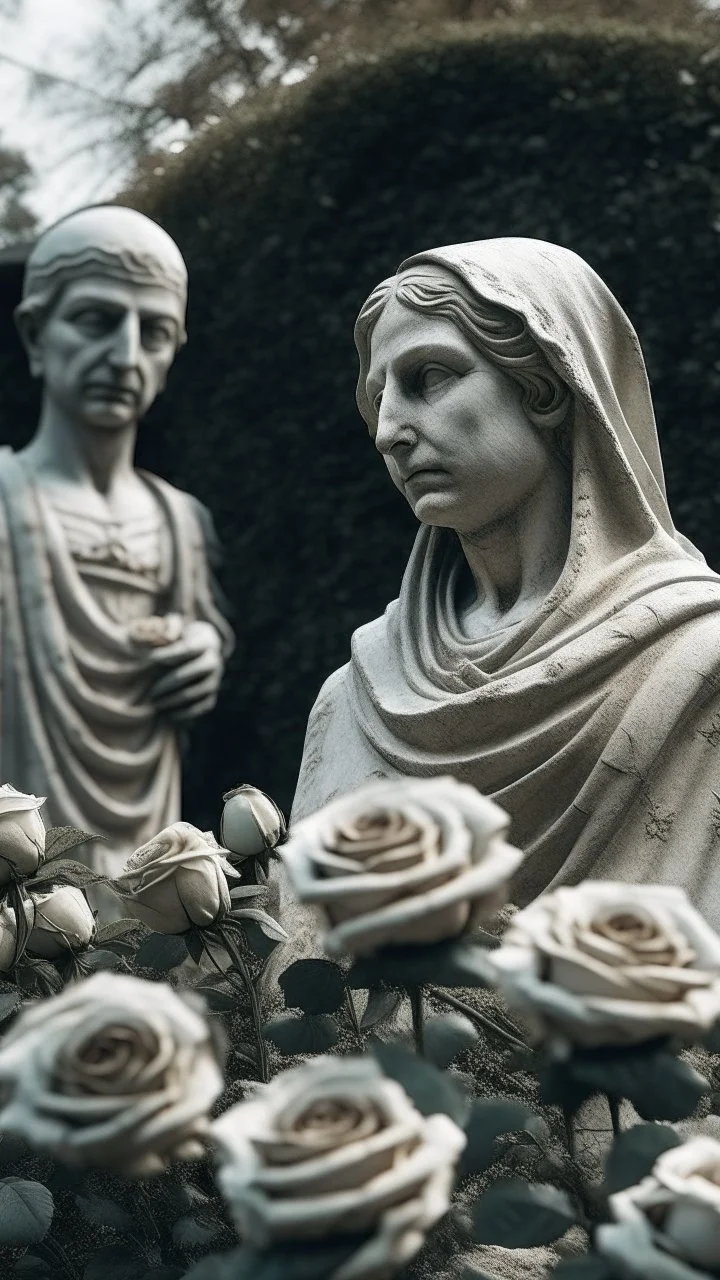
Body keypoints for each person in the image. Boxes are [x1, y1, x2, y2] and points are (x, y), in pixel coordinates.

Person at [291, 237, 720, 927]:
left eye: (429, 377)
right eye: (378, 398)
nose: (390, 432)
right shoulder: (352, 698)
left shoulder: (700, 662)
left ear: (546, 387)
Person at [1, 203, 233, 899]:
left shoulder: (182, 522)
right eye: (97, 321)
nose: (126, 355)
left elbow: (203, 631)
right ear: (37, 334)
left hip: (148, 887)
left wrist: (204, 650)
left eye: (155, 332)